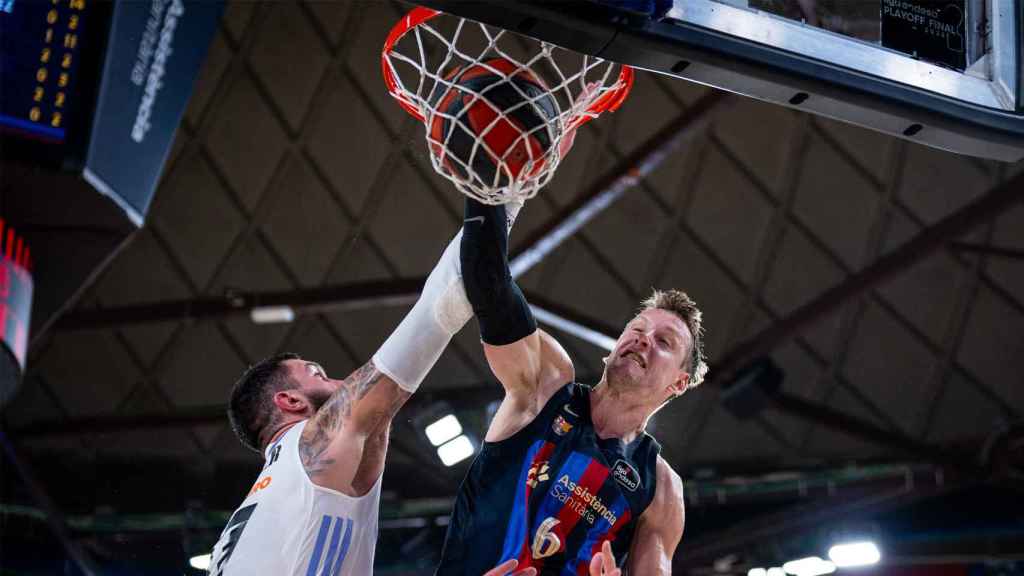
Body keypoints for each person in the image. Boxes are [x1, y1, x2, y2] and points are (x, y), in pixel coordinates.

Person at [207, 201, 621, 576]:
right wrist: (502, 190)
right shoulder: (309, 447)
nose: (337, 379)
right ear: (290, 400)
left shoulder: (268, 504)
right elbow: (443, 303)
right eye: (316, 372)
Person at [435, 197, 708, 574]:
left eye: (664, 342)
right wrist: (490, 187)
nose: (644, 339)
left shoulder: (661, 488)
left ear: (678, 384)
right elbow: (489, 283)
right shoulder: (547, 386)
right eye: (637, 329)